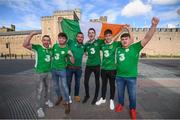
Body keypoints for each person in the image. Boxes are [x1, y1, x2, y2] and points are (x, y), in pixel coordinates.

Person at [115, 17, 159, 119]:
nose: (124, 41)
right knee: (120, 94)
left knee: (132, 95)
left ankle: (132, 109)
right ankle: (121, 104)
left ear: (130, 40)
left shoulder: (135, 47)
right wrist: (122, 30)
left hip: (131, 77)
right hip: (119, 76)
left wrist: (153, 26)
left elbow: (147, 38)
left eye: (126, 39)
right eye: (122, 39)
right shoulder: (118, 49)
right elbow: (110, 41)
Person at [96, 27, 133, 110]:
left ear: (111, 36)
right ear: (104, 37)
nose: (108, 37)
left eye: (109, 35)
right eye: (106, 36)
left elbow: (129, 41)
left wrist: (122, 31)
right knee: (104, 85)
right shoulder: (102, 44)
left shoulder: (116, 44)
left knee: (112, 85)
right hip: (104, 69)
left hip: (112, 69)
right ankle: (103, 98)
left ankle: (111, 100)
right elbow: (97, 41)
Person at [23, 32, 53, 118]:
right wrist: (31, 34)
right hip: (39, 73)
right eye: (44, 40)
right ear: (42, 41)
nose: (46, 42)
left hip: (48, 72)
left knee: (48, 89)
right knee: (39, 91)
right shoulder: (38, 48)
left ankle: (47, 101)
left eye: (48, 40)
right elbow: (25, 44)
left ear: (50, 41)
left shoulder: (51, 50)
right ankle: (38, 108)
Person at [51, 32, 74, 114]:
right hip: (53, 69)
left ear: (65, 40)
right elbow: (52, 55)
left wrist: (71, 56)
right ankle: (59, 97)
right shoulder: (55, 46)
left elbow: (72, 61)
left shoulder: (67, 49)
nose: (61, 39)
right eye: (60, 38)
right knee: (56, 86)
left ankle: (67, 102)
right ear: (58, 38)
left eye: (63, 38)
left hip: (62, 70)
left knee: (64, 86)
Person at [82, 28, 104, 105]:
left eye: (92, 33)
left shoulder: (99, 42)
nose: (91, 34)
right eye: (89, 33)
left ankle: (95, 97)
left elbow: (109, 41)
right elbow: (84, 51)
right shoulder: (86, 44)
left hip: (97, 65)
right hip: (88, 65)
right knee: (85, 82)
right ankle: (87, 95)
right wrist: (85, 53)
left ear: (95, 34)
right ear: (88, 35)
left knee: (97, 82)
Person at [66, 32, 85, 103]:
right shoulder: (71, 42)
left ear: (83, 38)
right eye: (79, 37)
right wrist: (60, 23)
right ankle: (68, 96)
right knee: (68, 83)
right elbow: (64, 37)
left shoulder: (84, 46)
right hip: (69, 67)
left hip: (78, 68)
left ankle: (76, 95)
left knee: (77, 83)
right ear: (76, 37)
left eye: (81, 37)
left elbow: (87, 52)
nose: (80, 38)